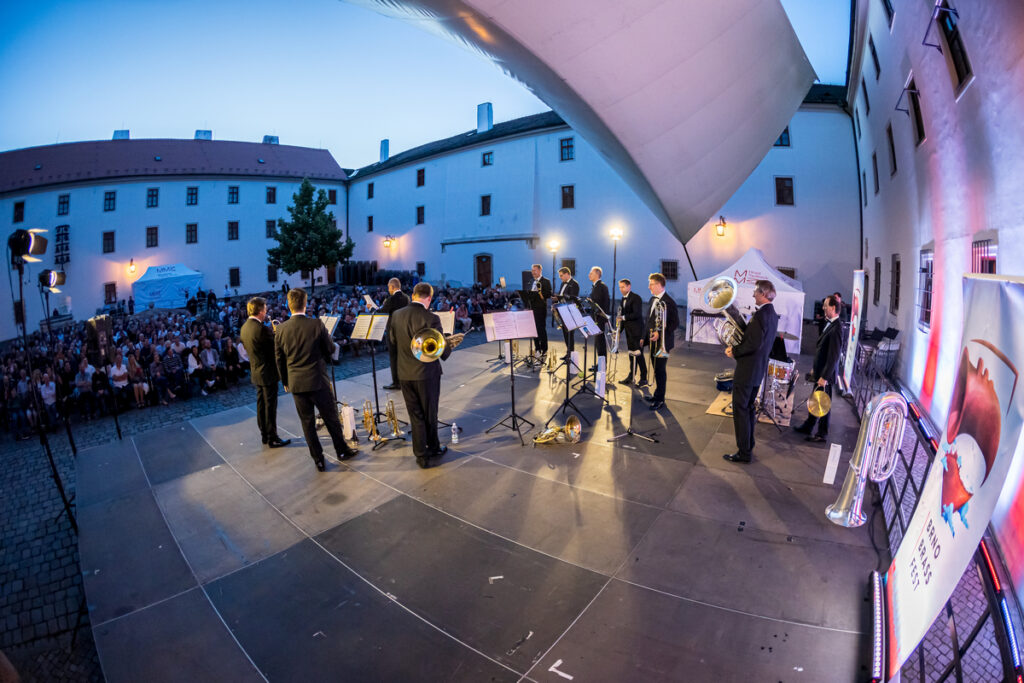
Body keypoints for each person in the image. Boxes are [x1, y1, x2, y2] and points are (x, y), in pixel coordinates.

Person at [275, 288, 357, 471]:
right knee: (330, 418)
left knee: (307, 423)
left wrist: (286, 382)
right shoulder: (316, 324)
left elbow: (279, 359)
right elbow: (330, 349)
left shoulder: (280, 329)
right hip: (318, 380)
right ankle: (341, 451)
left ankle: (318, 459)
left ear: (289, 305)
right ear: (305, 304)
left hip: (296, 383)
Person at [389, 282, 456, 469]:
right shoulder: (431, 318)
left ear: (413, 295)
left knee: (415, 414)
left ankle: (420, 455)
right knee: (430, 412)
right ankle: (433, 448)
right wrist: (450, 344)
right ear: (429, 298)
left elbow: (392, 342)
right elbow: (442, 350)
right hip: (427, 374)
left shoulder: (397, 315)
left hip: (404, 373)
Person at [723, 279, 780, 463]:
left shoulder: (762, 315)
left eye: (755, 291)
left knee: (740, 409)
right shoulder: (771, 314)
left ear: (763, 294)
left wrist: (735, 351)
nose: (753, 294)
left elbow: (753, 344)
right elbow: (756, 340)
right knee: (747, 408)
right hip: (757, 370)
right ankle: (748, 446)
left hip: (747, 370)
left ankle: (744, 452)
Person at [241, 297, 290, 448]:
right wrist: (276, 334)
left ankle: (264, 435)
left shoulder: (245, 327)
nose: (266, 311)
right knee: (270, 407)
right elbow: (274, 349)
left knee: (261, 405)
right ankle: (273, 438)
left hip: (256, 371)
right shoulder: (261, 329)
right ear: (261, 311)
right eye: (265, 309)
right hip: (268, 372)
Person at [794, 294, 843, 443]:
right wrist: (816, 370)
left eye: (826, 306)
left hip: (825, 375)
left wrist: (824, 377)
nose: (823, 308)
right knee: (816, 400)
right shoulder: (830, 324)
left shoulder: (837, 328)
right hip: (820, 372)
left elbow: (834, 356)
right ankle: (808, 426)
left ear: (833, 308)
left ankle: (822, 434)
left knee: (823, 403)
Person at [645, 273, 679, 410]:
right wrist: (643, 337)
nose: (649, 287)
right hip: (653, 341)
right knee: (656, 370)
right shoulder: (653, 299)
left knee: (660, 371)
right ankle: (657, 394)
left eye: (651, 284)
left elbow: (675, 323)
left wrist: (660, 333)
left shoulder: (669, 302)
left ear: (659, 285)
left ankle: (660, 399)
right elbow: (649, 320)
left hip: (663, 343)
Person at [370, 278, 409, 391]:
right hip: (404, 330)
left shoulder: (391, 299)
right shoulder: (406, 298)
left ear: (392, 287)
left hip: (393, 332)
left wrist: (371, 308)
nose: (388, 289)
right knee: (403, 356)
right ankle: (404, 380)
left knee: (394, 357)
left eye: (388, 287)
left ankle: (396, 382)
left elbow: (381, 313)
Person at [617, 279, 648, 386]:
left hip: (637, 332)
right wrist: (619, 331)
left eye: (623, 287)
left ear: (629, 286)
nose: (621, 289)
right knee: (631, 355)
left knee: (639, 355)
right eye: (620, 287)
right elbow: (622, 317)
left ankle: (644, 378)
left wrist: (623, 317)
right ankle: (631, 377)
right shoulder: (623, 299)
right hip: (629, 332)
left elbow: (637, 314)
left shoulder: (636, 298)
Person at [587, 266, 610, 366]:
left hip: (599, 318)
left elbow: (605, 303)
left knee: (600, 342)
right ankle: (600, 363)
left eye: (591, 273)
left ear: (597, 274)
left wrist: (604, 318)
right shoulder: (596, 286)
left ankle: (602, 365)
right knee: (598, 342)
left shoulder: (601, 286)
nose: (589, 275)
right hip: (596, 317)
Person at [528, 264, 553, 356]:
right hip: (532, 308)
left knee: (541, 328)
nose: (533, 272)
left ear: (539, 270)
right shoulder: (531, 281)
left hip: (541, 308)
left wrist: (539, 293)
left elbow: (548, 294)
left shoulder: (546, 281)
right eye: (532, 270)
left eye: (535, 270)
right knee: (533, 329)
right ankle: (537, 348)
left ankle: (544, 349)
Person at [555, 267, 580, 355]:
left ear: (567, 274)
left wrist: (562, 297)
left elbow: (573, 297)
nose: (560, 277)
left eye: (561, 275)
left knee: (570, 334)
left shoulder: (574, 284)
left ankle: (571, 354)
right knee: (565, 334)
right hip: (562, 311)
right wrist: (556, 301)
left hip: (570, 312)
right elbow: (561, 295)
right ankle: (568, 353)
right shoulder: (562, 284)